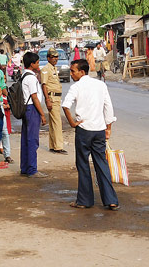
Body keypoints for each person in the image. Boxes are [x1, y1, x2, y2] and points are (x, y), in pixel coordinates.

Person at [61, 59, 119, 210]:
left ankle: (85, 200)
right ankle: (111, 200)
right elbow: (108, 107)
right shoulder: (100, 85)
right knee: (101, 164)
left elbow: (65, 105)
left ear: (81, 72)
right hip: (99, 129)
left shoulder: (76, 87)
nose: (71, 74)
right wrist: (109, 127)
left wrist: (72, 123)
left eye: (73, 71)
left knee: (83, 164)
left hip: (84, 130)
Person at [20, 52, 47, 178]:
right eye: (37, 62)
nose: (38, 64)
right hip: (32, 109)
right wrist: (42, 114)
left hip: (27, 108)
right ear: (32, 64)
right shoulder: (31, 78)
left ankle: (25, 167)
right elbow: (34, 97)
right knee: (32, 140)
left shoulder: (24, 75)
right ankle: (32, 169)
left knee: (26, 138)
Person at [41, 48, 66, 155]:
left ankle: (53, 145)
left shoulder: (53, 68)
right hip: (52, 98)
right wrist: (47, 100)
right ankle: (58, 146)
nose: (55, 59)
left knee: (53, 122)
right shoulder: (46, 69)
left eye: (56, 57)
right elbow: (44, 85)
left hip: (56, 98)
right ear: (48, 58)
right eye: (53, 57)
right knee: (57, 122)